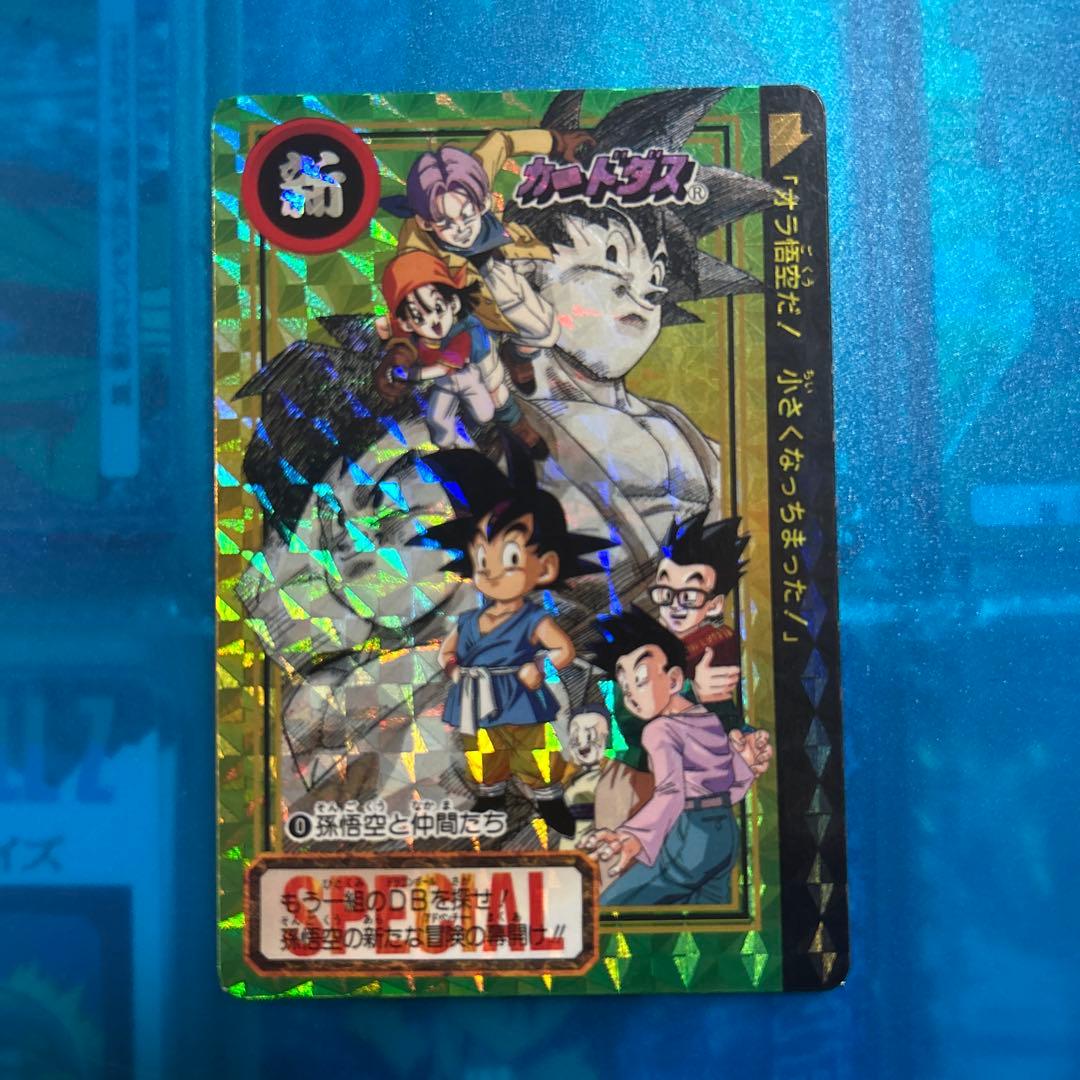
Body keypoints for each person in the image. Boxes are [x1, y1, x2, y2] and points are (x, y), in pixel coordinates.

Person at [413, 437, 613, 837]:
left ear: (546, 567)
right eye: (482, 557)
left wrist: (539, 665)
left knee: (534, 752)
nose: (492, 571)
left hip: (521, 700)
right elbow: (446, 653)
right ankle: (492, 798)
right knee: (484, 753)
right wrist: (452, 668)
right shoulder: (469, 621)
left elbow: (563, 649)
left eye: (509, 558)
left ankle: (549, 799)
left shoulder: (532, 618)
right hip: (478, 700)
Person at [379, 126, 594, 456]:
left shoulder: (471, 175)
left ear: (481, 201)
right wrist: (400, 351)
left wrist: (557, 142)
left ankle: (517, 355)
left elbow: (502, 141)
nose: (460, 229)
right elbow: (407, 298)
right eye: (445, 223)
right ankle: (513, 423)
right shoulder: (414, 244)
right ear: (425, 222)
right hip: (460, 306)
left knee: (545, 330)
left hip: (497, 268)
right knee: (487, 377)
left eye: (466, 215)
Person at [583, 606, 756, 906]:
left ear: (675, 680)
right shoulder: (707, 719)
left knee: (609, 908)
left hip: (690, 835)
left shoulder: (660, 730)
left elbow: (671, 792)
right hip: (725, 833)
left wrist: (634, 836)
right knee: (707, 916)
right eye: (625, 686)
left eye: (640, 679)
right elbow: (736, 780)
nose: (632, 695)